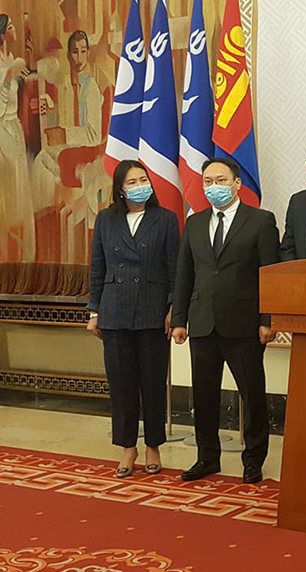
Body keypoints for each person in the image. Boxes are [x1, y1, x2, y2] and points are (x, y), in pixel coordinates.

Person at [171, 157, 280, 484]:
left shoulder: (260, 221)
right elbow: (184, 274)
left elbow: (269, 274)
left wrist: (268, 319)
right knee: (204, 396)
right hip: (203, 322)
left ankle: (253, 460)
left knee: (253, 395)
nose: (213, 187)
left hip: (244, 324)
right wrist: (179, 319)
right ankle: (207, 458)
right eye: (208, 182)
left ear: (237, 184)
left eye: (220, 180)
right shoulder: (194, 223)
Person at [87, 160, 179, 478]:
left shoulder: (165, 219)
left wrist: (173, 307)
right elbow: (97, 266)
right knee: (122, 385)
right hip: (115, 312)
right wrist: (94, 311)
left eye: (143, 180)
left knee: (153, 384)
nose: (140, 186)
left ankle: (153, 445)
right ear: (120, 189)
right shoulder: (106, 219)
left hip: (153, 311)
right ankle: (128, 447)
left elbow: (174, 268)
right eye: (132, 182)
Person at [0, 14, 35, 262]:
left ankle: (24, 251)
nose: (14, 30)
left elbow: (23, 80)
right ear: (2, 33)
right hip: (2, 129)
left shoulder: (11, 58)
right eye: (10, 27)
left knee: (21, 186)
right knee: (9, 185)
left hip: (15, 127)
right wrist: (8, 78)